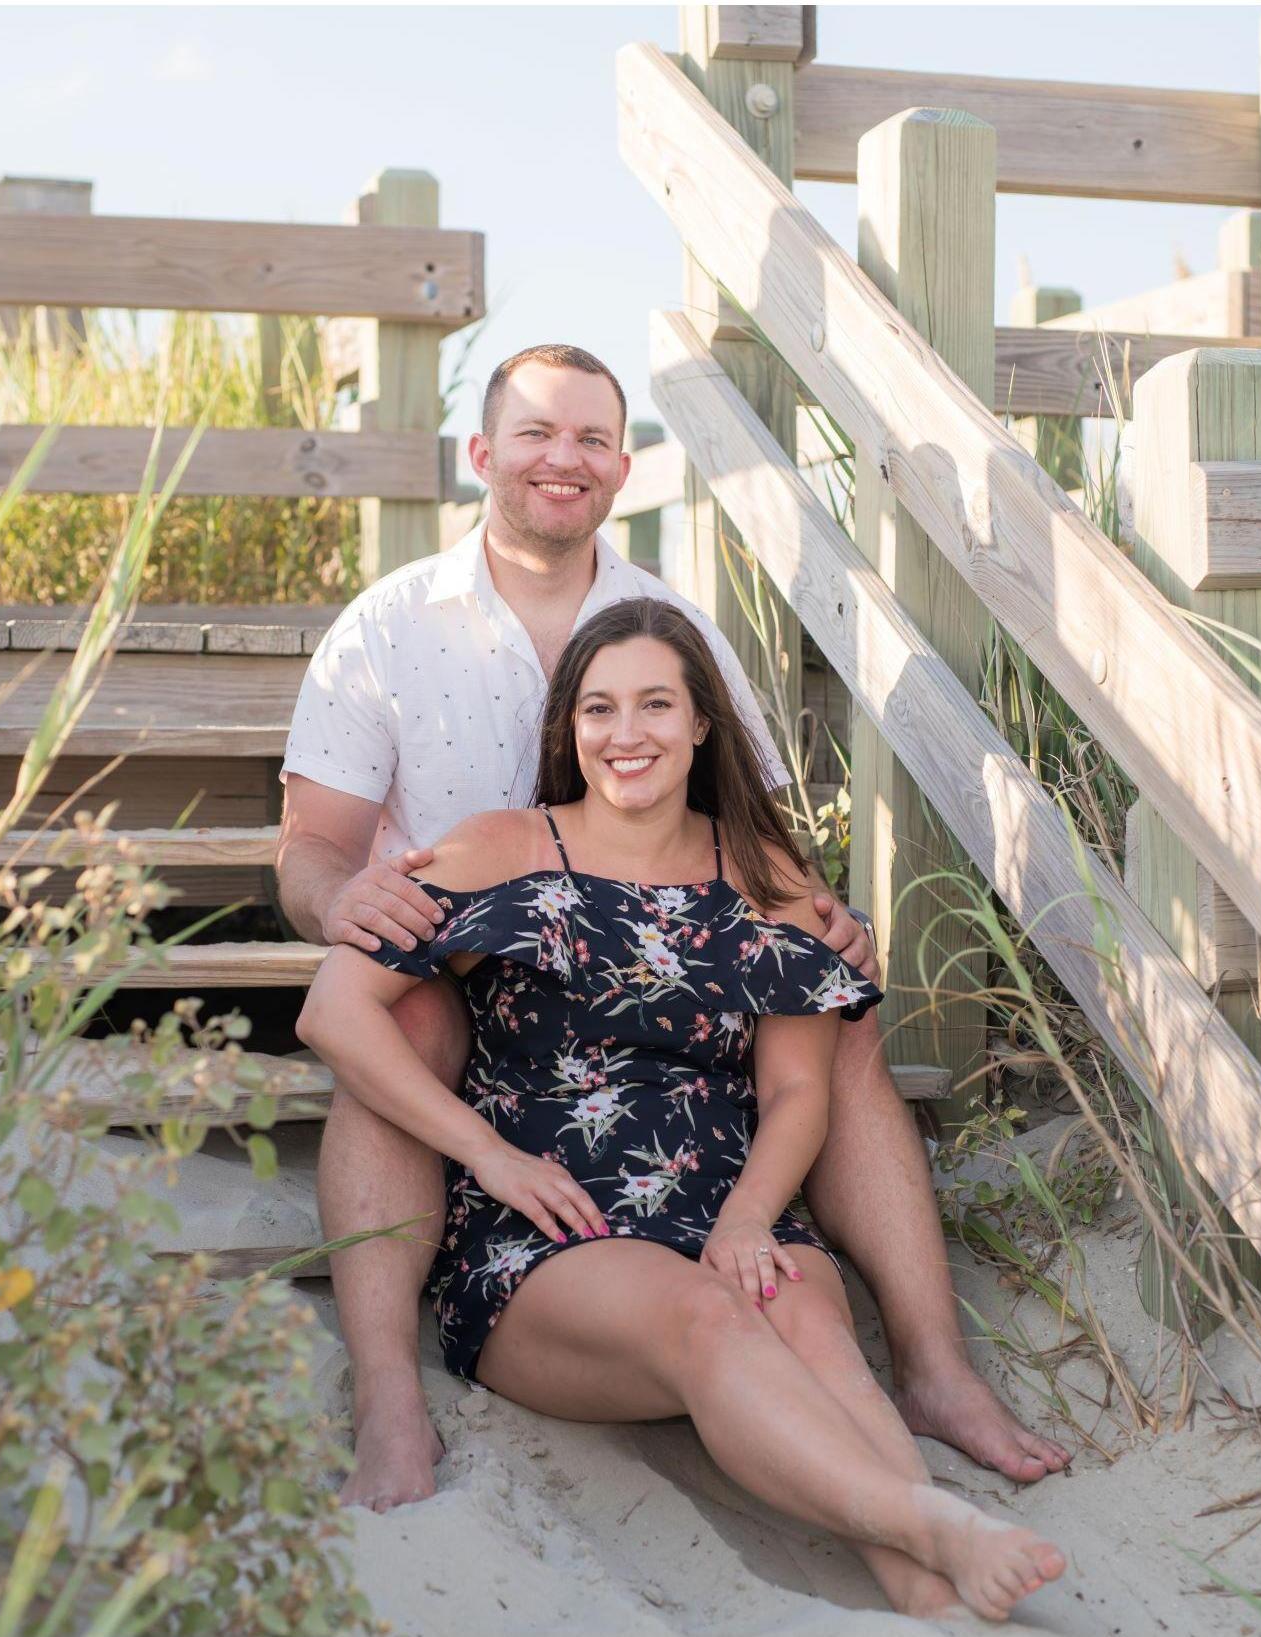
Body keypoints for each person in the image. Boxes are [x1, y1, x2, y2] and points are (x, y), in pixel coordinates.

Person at [275, 343, 1070, 1513]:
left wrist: (814, 918)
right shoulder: (388, 625)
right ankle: (389, 1388)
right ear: (483, 454)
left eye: (592, 437)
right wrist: (338, 900)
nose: (565, 458)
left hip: (643, 958)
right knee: (411, 1020)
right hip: (460, 955)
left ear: (621, 466)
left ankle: (936, 1369)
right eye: (538, 433)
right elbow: (309, 848)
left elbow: (740, 822)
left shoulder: (666, 619)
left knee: (836, 1028)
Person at [296, 598, 1069, 1623]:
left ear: (701, 721)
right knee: (708, 1315)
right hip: (552, 1223)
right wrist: (486, 1154)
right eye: (599, 707)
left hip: (726, 1202)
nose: (626, 734)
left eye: (655, 704)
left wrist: (749, 1217)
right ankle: (931, 1521)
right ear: (568, 726)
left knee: (808, 1319)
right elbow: (333, 1011)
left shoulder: (764, 873)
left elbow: (799, 1085)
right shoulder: (500, 846)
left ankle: (927, 1589)